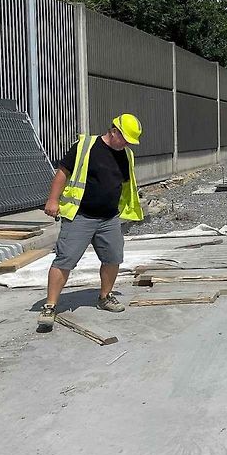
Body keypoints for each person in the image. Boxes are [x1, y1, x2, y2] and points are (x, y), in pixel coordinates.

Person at [37, 114, 144, 330]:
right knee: (65, 259)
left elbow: (123, 184)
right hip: (80, 216)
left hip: (109, 218)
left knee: (113, 257)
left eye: (130, 142)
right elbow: (62, 173)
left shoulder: (126, 155)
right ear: (114, 131)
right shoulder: (85, 146)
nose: (126, 144)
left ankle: (105, 297)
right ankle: (50, 306)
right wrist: (52, 200)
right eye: (125, 139)